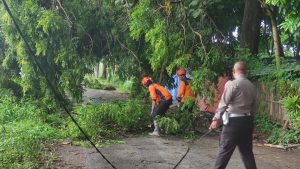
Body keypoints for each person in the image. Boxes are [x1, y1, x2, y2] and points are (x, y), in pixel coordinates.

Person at [209, 61, 258, 169]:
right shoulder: (252, 86)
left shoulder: (233, 84)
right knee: (247, 153)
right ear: (246, 72)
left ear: (234, 71)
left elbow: (223, 103)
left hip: (233, 124)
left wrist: (216, 119)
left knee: (224, 152)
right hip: (247, 121)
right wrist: (250, 120)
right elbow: (254, 106)